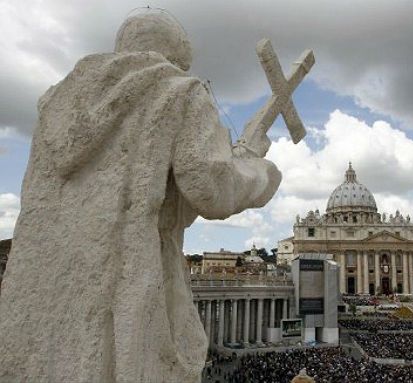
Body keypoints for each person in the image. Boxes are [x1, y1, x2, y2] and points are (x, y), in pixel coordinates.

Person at [0, 10, 281, 383]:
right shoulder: (178, 91)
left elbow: (171, 201)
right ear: (177, 57)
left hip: (42, 293)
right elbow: (210, 188)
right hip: (125, 277)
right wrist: (256, 165)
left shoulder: (55, 107)